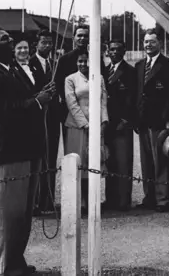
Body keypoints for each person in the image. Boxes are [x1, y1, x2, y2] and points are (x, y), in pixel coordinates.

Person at [0, 27, 56, 276]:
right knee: (5, 216)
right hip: (7, 153)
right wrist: (36, 101)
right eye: (3, 38)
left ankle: (15, 262)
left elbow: (24, 98)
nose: (10, 40)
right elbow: (2, 112)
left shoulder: (11, 69)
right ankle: (1, 268)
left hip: (26, 150)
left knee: (21, 215)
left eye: (9, 37)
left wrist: (40, 96)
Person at [133, 29, 169, 212]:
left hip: (159, 121)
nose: (148, 45)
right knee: (146, 163)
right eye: (145, 42)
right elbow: (138, 94)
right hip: (143, 121)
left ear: (159, 43)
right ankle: (149, 196)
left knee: (161, 162)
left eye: (152, 42)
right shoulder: (139, 66)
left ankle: (163, 199)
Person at [64, 49, 109, 214]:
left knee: (94, 162)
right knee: (78, 164)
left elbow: (103, 101)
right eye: (80, 61)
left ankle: (93, 200)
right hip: (77, 127)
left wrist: (103, 122)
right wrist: (86, 124)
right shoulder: (70, 79)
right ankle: (79, 202)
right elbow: (72, 103)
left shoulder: (99, 78)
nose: (84, 64)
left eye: (86, 61)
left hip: (96, 126)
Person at [103, 39, 137, 212]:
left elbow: (133, 98)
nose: (114, 52)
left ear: (124, 51)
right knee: (110, 162)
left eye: (118, 49)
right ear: (107, 51)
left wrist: (126, 120)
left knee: (123, 162)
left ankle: (123, 201)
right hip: (107, 123)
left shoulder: (130, 71)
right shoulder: (103, 71)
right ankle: (111, 199)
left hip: (122, 124)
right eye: (111, 49)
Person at [28, 30, 58, 214]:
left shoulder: (55, 64)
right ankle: (35, 201)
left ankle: (48, 200)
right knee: (36, 159)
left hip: (53, 118)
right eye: (44, 43)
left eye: (49, 43)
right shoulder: (28, 64)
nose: (47, 46)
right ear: (36, 45)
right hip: (35, 116)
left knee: (51, 159)